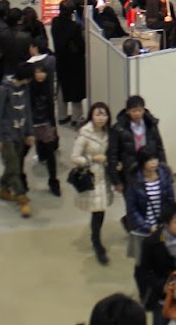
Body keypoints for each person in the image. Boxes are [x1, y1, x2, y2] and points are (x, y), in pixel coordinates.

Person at [71, 101, 116, 263]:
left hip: (105, 177)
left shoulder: (109, 133)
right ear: (91, 115)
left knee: (101, 210)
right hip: (93, 177)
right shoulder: (85, 134)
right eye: (98, 114)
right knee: (97, 211)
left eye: (104, 114)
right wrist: (92, 159)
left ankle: (96, 238)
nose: (101, 118)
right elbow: (74, 157)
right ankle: (96, 241)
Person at [0, 62, 35, 219]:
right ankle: (22, 198)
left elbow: (27, 111)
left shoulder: (25, 89)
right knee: (14, 167)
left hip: (20, 134)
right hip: (6, 136)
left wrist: (29, 133)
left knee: (12, 165)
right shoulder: (3, 91)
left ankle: (3, 189)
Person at [136, 201, 176, 323]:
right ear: (166, 224)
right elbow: (144, 272)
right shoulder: (152, 243)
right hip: (162, 299)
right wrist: (162, 286)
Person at [111, 94, 168, 187]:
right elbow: (113, 154)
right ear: (127, 111)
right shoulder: (118, 128)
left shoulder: (151, 124)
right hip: (129, 170)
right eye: (134, 111)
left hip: (150, 167)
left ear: (144, 110)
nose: (137, 114)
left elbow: (159, 148)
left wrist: (164, 169)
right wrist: (116, 180)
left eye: (140, 110)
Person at [28, 55, 61, 196]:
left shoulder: (47, 88)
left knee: (50, 154)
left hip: (45, 124)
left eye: (43, 72)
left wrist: (53, 125)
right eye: (38, 72)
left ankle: (53, 181)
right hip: (32, 124)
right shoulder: (29, 89)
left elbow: (50, 107)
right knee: (22, 151)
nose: (41, 75)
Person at [51, 0, 87, 125]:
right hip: (74, 62)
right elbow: (81, 46)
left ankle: (62, 115)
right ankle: (76, 117)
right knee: (75, 90)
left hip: (60, 60)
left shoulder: (55, 22)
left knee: (62, 87)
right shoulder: (74, 27)